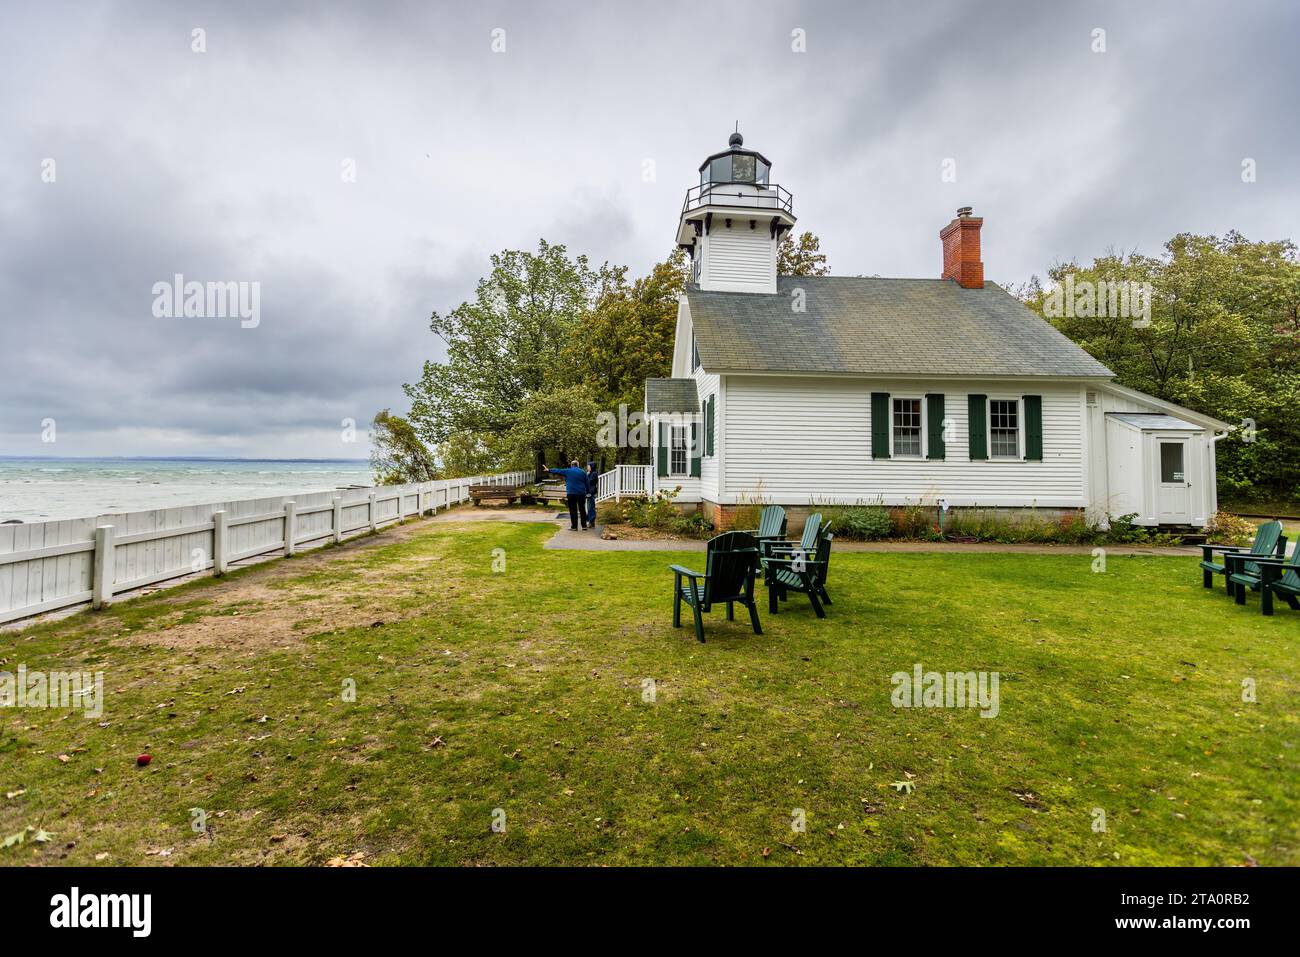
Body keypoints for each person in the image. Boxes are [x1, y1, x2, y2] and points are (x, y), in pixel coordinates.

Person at [545, 460, 590, 531]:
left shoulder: (568, 471)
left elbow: (558, 471)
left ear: (571, 465)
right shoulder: (583, 472)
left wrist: (549, 470)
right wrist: (588, 492)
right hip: (581, 493)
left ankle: (574, 527)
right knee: (582, 509)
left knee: (573, 510)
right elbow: (587, 483)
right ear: (578, 465)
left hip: (571, 493)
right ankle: (584, 526)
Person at [584, 461, 598, 528]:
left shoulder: (594, 474)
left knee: (591, 508)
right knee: (589, 508)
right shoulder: (590, 473)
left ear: (592, 466)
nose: (587, 467)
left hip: (591, 492)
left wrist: (587, 475)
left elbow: (589, 482)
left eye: (588, 466)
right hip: (589, 492)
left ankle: (591, 522)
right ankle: (590, 522)